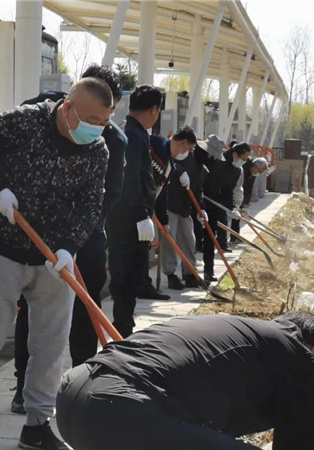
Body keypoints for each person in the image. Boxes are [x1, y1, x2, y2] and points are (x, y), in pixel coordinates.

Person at [0, 77, 113, 450]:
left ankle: (38, 425)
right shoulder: (24, 121)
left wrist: (69, 247)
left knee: (51, 345)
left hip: (55, 260)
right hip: (2, 249)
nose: (96, 129)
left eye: (104, 122)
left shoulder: (97, 150)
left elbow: (91, 202)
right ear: (68, 107)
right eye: (91, 119)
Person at [11, 65, 127, 415]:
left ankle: (77, 383)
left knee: (79, 311)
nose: (98, 122)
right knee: (37, 309)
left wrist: (73, 236)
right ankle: (29, 387)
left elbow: (107, 196)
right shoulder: (41, 113)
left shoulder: (113, 140)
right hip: (39, 237)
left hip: (81, 240)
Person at [56, 311, 314, 450]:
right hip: (116, 408)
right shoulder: (296, 351)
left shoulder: (242, 334)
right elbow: (298, 443)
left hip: (73, 396)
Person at [106, 85, 163, 338]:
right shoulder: (134, 136)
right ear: (153, 110)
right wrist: (141, 215)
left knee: (130, 279)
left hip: (129, 219)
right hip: (127, 222)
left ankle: (124, 327)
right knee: (125, 278)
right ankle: (122, 332)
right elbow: (130, 180)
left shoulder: (134, 132)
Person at [153, 127, 204, 290]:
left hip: (185, 206)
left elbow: (197, 184)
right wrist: (179, 172)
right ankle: (171, 274)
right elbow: (169, 168)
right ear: (183, 143)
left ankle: (190, 273)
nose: (189, 152)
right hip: (170, 204)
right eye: (190, 148)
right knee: (170, 241)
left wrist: (201, 208)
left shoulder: (194, 158)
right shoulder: (169, 151)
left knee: (189, 239)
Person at [198, 137, 247, 281]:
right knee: (194, 240)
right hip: (201, 202)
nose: (243, 162)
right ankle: (188, 273)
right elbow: (201, 181)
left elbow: (230, 191)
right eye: (243, 159)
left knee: (210, 239)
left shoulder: (237, 171)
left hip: (215, 206)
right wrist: (200, 200)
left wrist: (233, 207)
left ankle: (209, 271)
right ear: (235, 155)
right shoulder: (216, 161)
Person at [230, 157, 269, 242]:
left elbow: (249, 188)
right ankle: (227, 238)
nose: (258, 173)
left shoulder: (253, 174)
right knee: (231, 215)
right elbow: (239, 186)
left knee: (238, 216)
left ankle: (235, 236)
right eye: (259, 171)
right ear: (254, 166)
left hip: (240, 195)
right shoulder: (243, 169)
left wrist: (245, 204)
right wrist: (237, 201)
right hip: (233, 193)